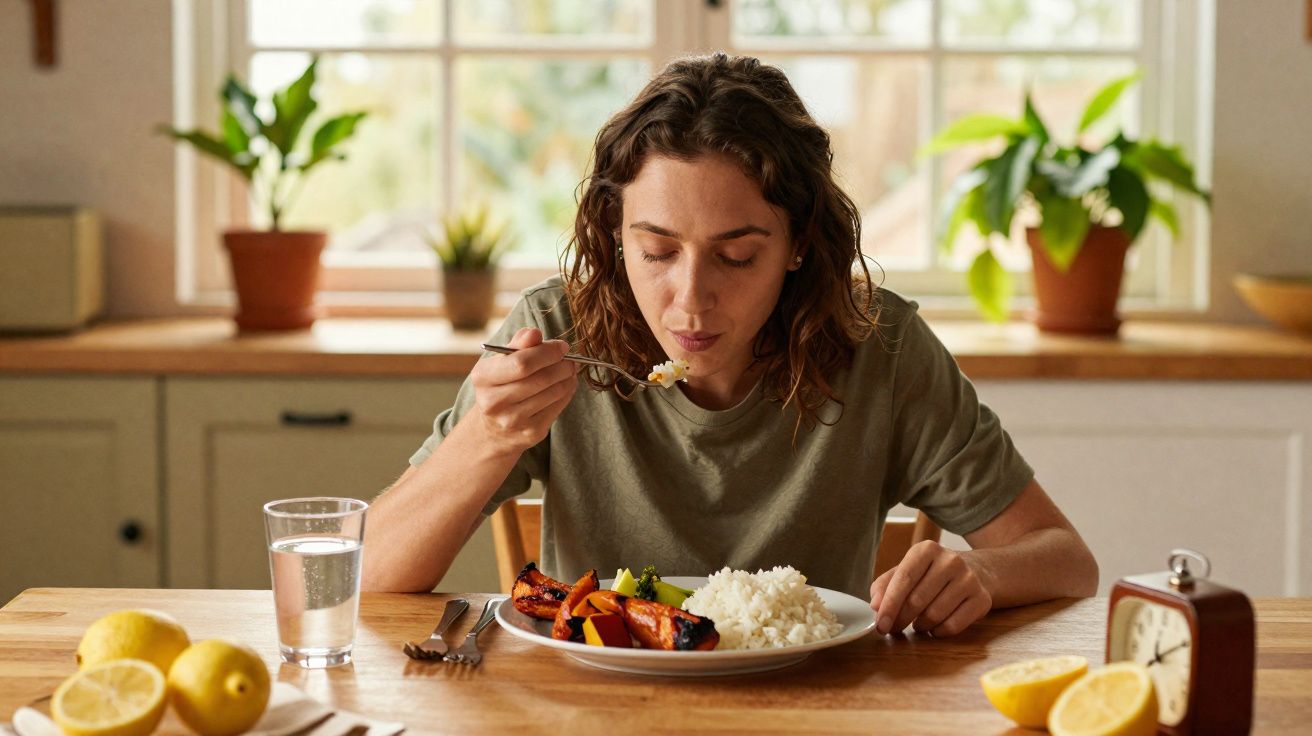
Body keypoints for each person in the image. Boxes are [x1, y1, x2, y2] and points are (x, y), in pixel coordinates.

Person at [362, 52, 1098, 638]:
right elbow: (369, 575)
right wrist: (485, 438)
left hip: (816, 711)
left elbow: (1067, 561)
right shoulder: (557, 331)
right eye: (655, 251)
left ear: (800, 244)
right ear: (615, 236)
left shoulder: (881, 345)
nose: (690, 298)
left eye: (737, 256)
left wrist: (984, 576)